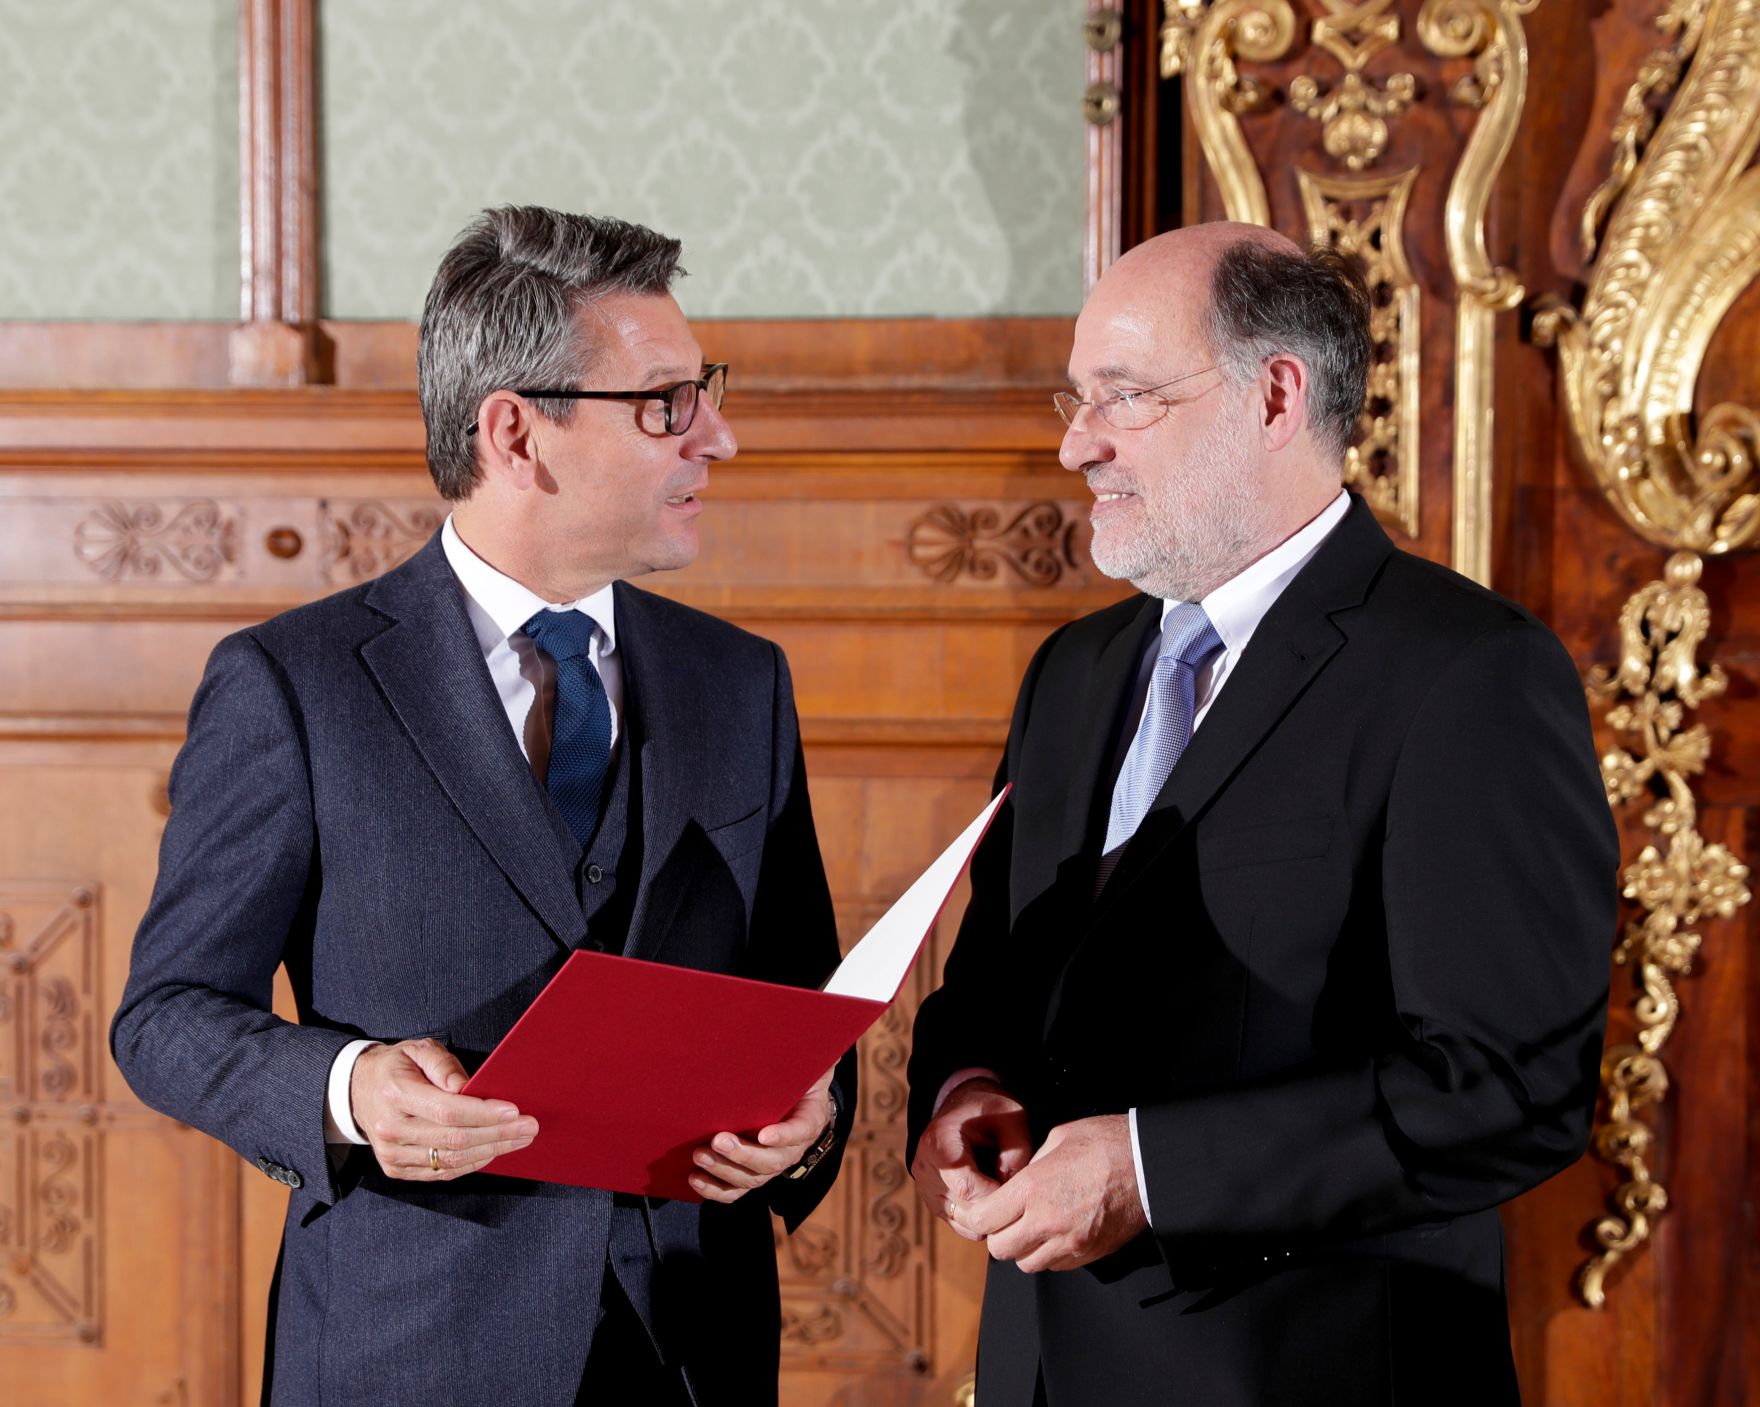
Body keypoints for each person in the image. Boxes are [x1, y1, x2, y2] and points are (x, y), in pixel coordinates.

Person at [112, 206, 856, 1407]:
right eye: (666, 400)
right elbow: (165, 1018)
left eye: (702, 392)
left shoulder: (741, 682)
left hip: (692, 1350)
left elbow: (802, 999)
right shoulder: (295, 686)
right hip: (406, 1352)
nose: (716, 435)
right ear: (516, 431)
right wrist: (348, 1089)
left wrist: (809, 1120)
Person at [906, 223, 1616, 1406]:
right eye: (1072, 402)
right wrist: (963, 1089)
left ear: (1275, 396)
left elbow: (1505, 1091)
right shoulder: (1073, 672)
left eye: (1122, 398)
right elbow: (993, 976)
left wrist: (1146, 1170)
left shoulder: (1466, 673)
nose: (1078, 445)